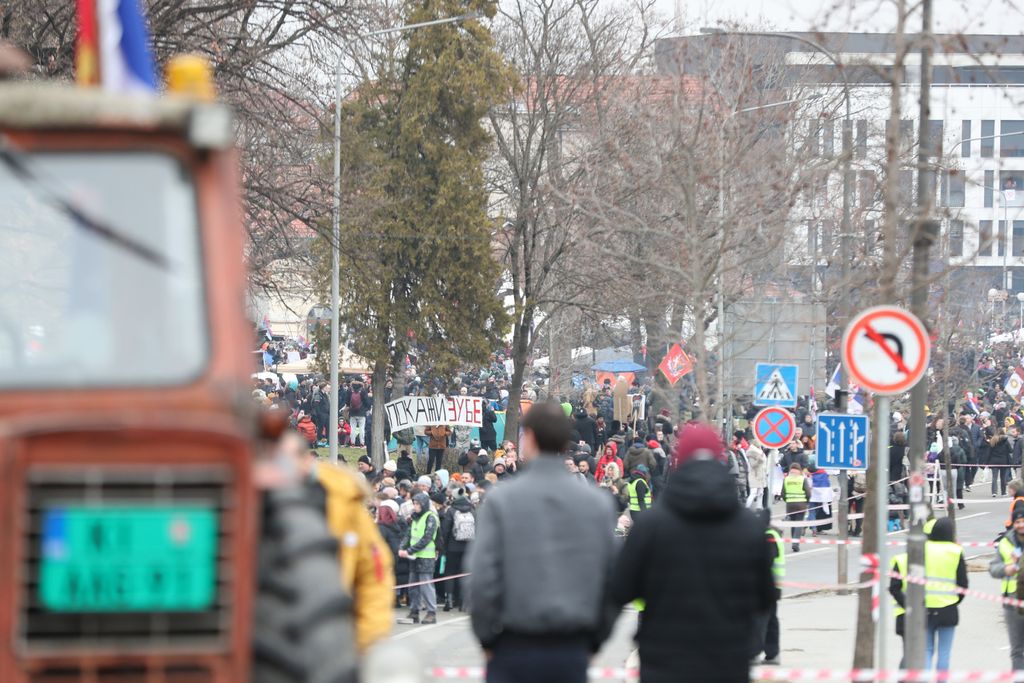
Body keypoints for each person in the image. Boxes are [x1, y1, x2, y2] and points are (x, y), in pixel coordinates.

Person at [610, 423, 776, 683]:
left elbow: (620, 589)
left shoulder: (653, 525)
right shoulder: (748, 527)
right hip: (727, 660)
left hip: (664, 661)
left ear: (680, 461)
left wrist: (593, 639)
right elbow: (765, 597)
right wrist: (752, 645)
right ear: (721, 461)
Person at [467, 401, 618, 683]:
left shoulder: (502, 500)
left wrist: (487, 639)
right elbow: (609, 580)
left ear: (531, 437)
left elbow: (483, 579)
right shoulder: (596, 504)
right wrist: (596, 639)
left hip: (514, 643)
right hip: (571, 646)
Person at [273, 432, 395, 652]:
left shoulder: (345, 502)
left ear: (307, 460)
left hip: (335, 634)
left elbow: (374, 573)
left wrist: (368, 639)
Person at [891, 517, 967, 672]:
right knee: (944, 653)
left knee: (926, 651)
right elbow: (963, 583)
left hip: (923, 608)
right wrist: (953, 600)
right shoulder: (956, 551)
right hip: (948, 608)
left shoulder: (923, 549)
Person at [397, 491, 440, 625]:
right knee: (413, 585)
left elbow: (427, 538)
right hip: (414, 556)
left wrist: (409, 550)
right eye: (414, 503)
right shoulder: (414, 518)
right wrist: (402, 548)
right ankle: (414, 611)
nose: (415, 506)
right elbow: (408, 535)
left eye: (417, 504)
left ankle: (431, 612)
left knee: (426, 586)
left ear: (424, 504)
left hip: (426, 556)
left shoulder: (430, 517)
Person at [991, 504, 1024, 669]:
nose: (1021, 525)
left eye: (1023, 521)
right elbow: (993, 568)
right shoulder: (1005, 542)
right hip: (1011, 600)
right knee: (1017, 649)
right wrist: (1006, 569)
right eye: (1018, 522)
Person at [753, 510, 784, 665]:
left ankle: (756, 653)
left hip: (764, 585)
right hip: (773, 584)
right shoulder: (772, 533)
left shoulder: (768, 535)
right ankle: (772, 654)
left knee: (761, 620)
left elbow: (767, 560)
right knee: (770, 620)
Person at [438, 488, 475, 611]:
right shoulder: (473, 510)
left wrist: (443, 548)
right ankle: (463, 602)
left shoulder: (451, 511)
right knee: (464, 573)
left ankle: (449, 600)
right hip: (469, 547)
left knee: (450, 573)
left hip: (452, 547)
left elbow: (446, 530)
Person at [782, 462, 811, 552]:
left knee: (793, 524)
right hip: (801, 504)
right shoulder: (802, 479)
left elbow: (783, 493)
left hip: (790, 505)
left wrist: (788, 500)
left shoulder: (786, 479)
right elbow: (808, 493)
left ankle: (793, 542)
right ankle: (795, 544)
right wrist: (807, 501)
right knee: (799, 524)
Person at [745, 443, 768, 510]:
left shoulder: (760, 451)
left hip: (761, 474)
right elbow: (753, 465)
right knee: (753, 492)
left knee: (761, 492)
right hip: (754, 474)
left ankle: (759, 507)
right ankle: (747, 507)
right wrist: (758, 460)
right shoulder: (751, 453)